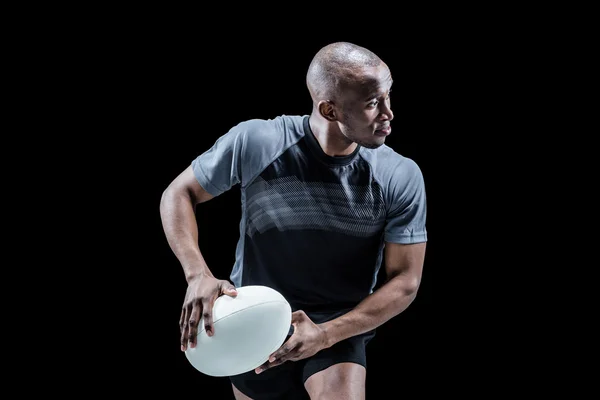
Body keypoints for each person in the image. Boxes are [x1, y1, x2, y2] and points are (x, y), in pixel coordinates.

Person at [159, 41, 428, 399]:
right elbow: (178, 193)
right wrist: (197, 275)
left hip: (337, 322)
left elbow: (405, 281)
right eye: (372, 103)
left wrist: (328, 333)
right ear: (329, 110)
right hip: (253, 311)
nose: (389, 113)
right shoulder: (258, 142)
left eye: (388, 95)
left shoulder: (398, 175)